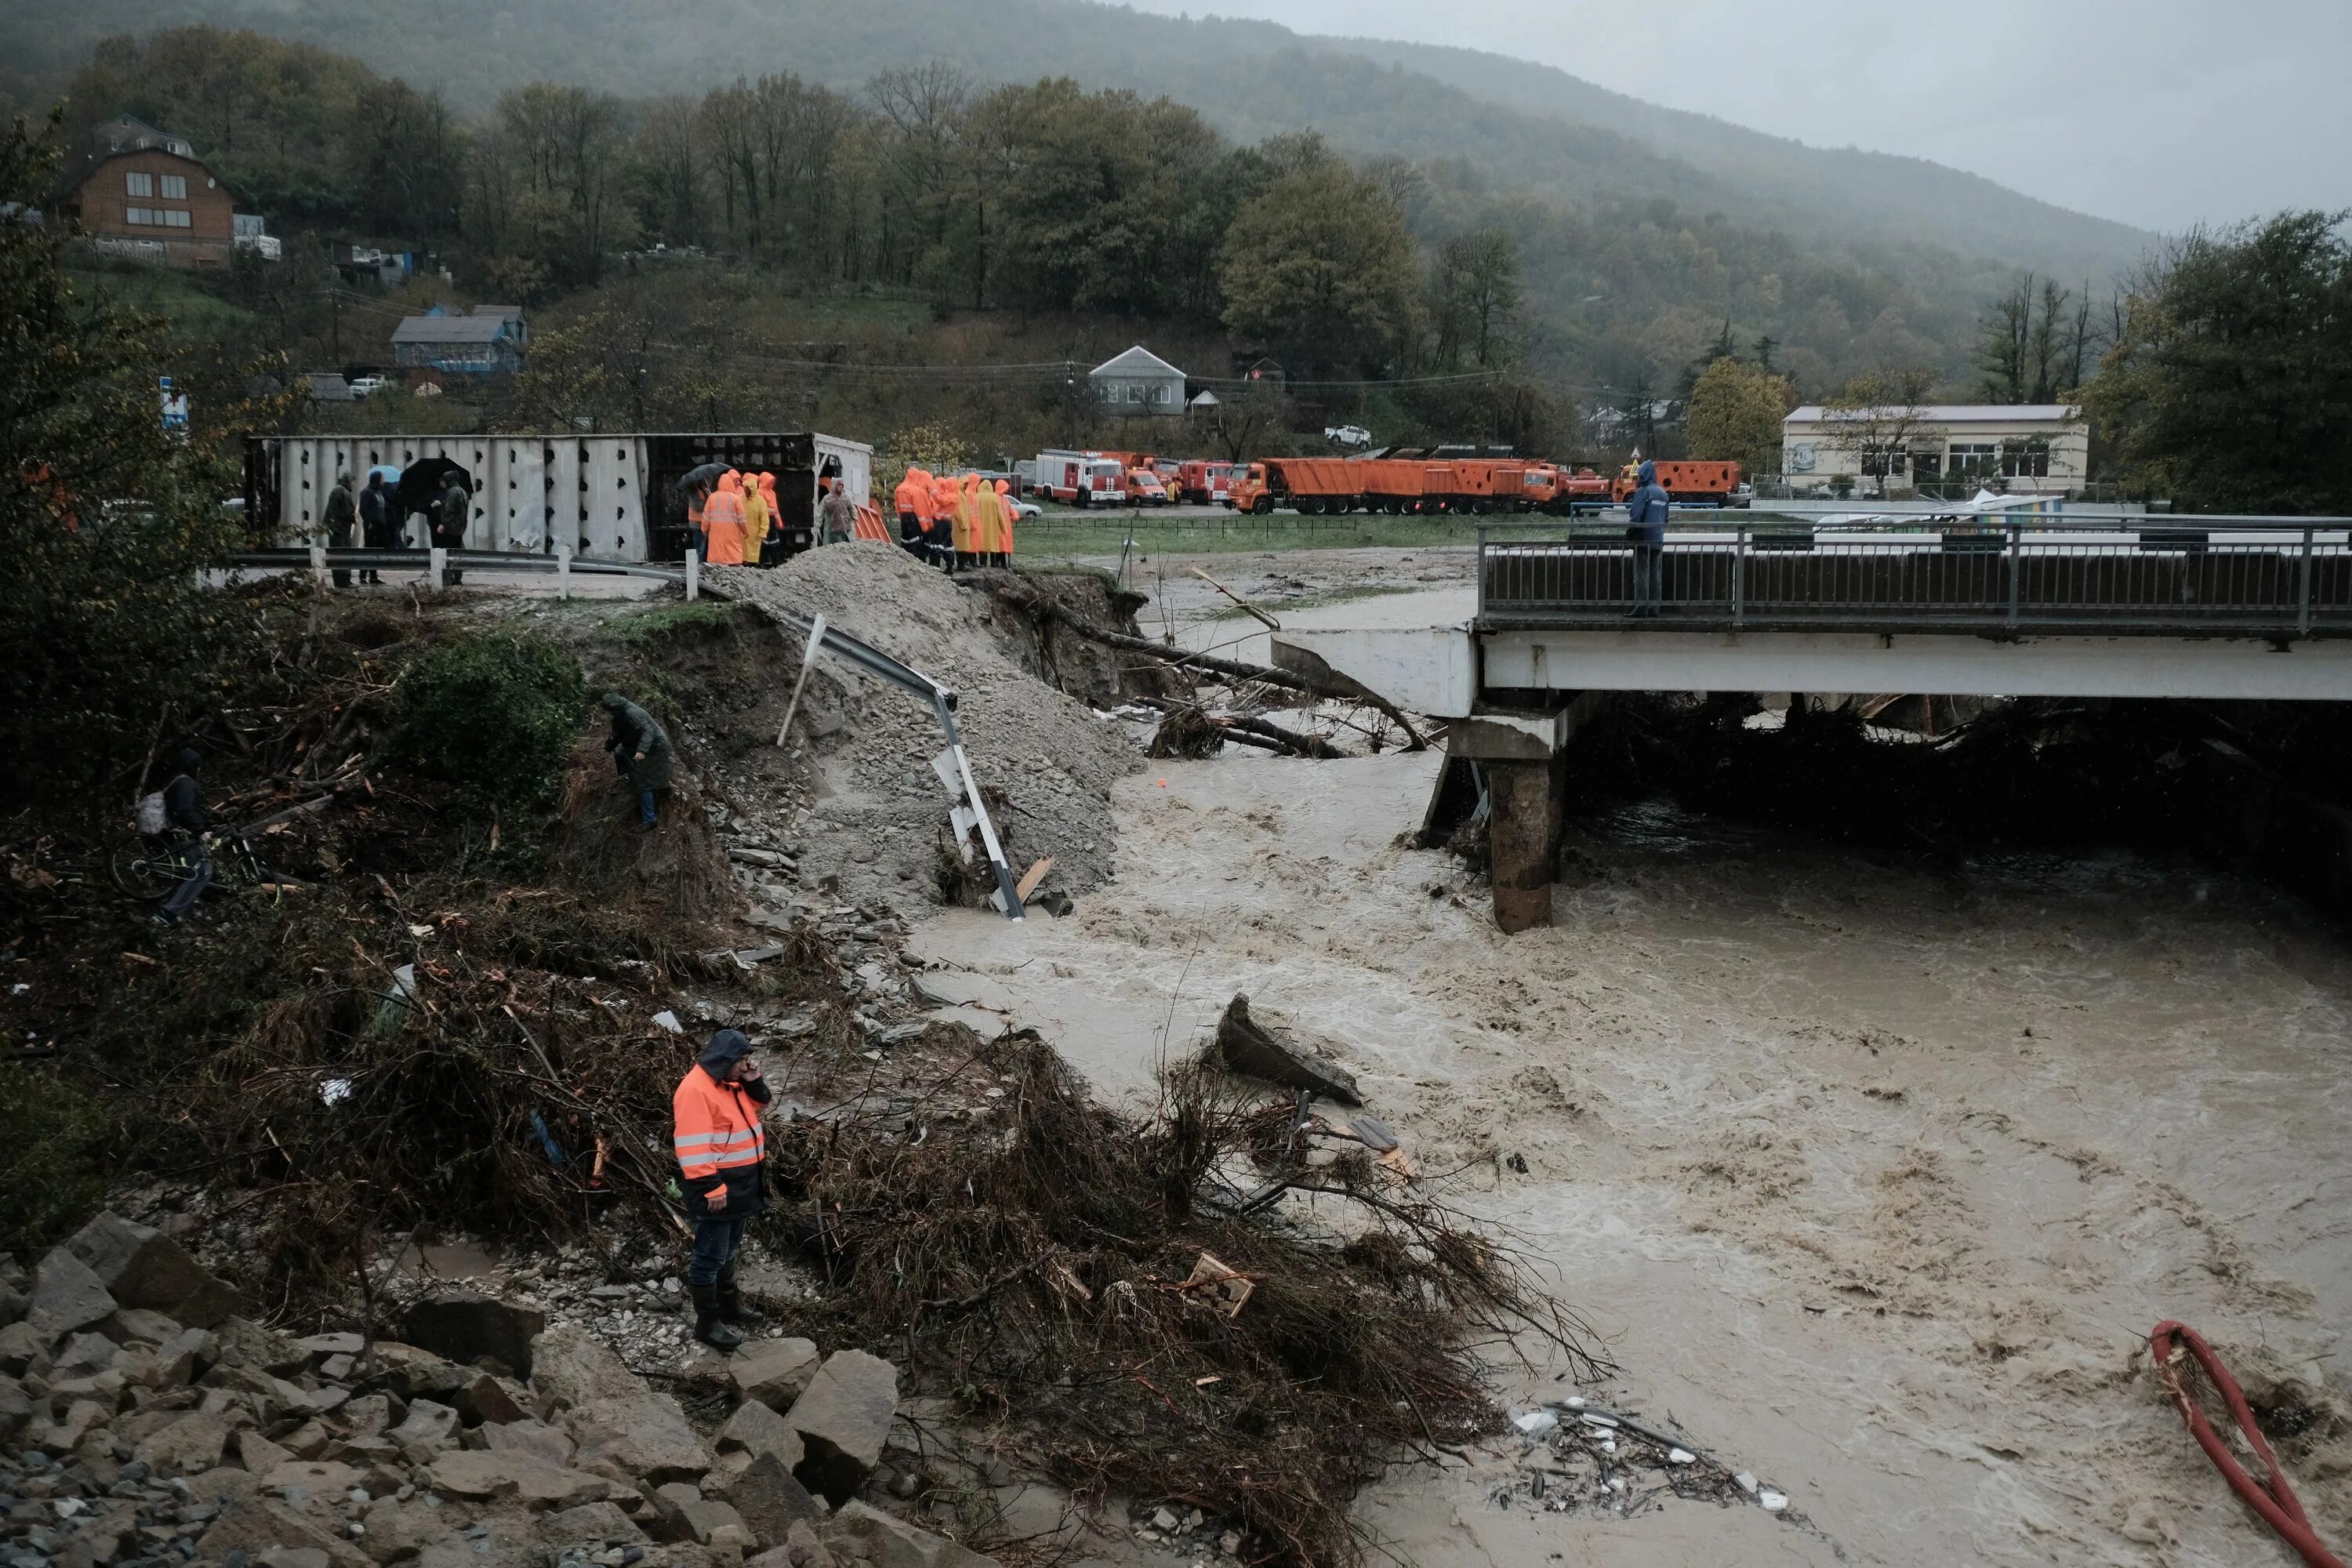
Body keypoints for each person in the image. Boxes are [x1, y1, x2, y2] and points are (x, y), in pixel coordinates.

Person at [671, 1028, 771, 1351]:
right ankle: (708, 1322)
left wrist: (753, 1079)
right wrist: (710, 1187)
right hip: (716, 1189)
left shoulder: (729, 1083)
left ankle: (730, 1307)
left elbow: (760, 1104)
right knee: (708, 1256)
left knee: (728, 1250)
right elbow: (691, 1146)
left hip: (741, 1185)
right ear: (725, 1060)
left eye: (748, 1060)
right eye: (742, 1061)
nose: (747, 1065)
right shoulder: (695, 1091)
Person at [599, 691, 673, 831]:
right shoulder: (620, 714)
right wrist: (609, 746)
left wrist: (642, 751)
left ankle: (650, 819)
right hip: (637, 744)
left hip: (654, 746)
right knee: (620, 753)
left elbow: (648, 732)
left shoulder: (631, 714)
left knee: (642, 783)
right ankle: (629, 776)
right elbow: (617, 733)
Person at [156, 747, 212, 924]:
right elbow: (185, 810)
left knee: (187, 874)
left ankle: (179, 917)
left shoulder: (172, 781)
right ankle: (167, 914)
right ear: (192, 765)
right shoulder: (186, 783)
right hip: (183, 836)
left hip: (170, 835)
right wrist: (201, 830)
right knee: (201, 872)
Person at [1624, 459, 1670, 619]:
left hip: (1643, 539)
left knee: (1641, 574)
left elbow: (1636, 517)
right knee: (1655, 574)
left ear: (1642, 474)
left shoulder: (1643, 492)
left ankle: (1641, 607)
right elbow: (1665, 519)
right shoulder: (1663, 493)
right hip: (1658, 538)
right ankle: (1655, 608)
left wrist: (1630, 535)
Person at [432, 476, 471, 585]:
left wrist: (443, 524)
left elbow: (449, 510)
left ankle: (449, 577)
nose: (442, 483)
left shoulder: (452, 492)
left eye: (443, 481)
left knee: (449, 552)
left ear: (449, 481)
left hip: (452, 527)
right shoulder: (461, 491)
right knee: (457, 551)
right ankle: (457, 577)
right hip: (460, 526)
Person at [702, 472, 747, 566]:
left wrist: (704, 529)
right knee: (732, 553)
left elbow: (706, 517)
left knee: (716, 552)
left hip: (715, 532)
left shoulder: (711, 498)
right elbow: (742, 519)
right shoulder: (735, 499)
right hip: (732, 532)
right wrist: (745, 532)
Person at [322, 472, 357, 589]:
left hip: (334, 528)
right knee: (344, 554)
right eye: (352, 481)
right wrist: (354, 518)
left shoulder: (337, 490)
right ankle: (344, 582)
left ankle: (339, 581)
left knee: (335, 555)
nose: (353, 484)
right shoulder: (344, 492)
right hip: (341, 529)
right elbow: (347, 512)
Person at [358, 470, 393, 583]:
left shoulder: (378, 492)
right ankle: (362, 575)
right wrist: (369, 523)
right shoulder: (366, 492)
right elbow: (363, 510)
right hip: (372, 526)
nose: (384, 480)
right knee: (369, 550)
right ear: (376, 479)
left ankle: (373, 576)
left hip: (380, 526)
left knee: (376, 551)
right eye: (382, 478)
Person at [893, 467, 927, 561]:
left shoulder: (899, 489)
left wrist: (900, 517)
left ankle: (905, 558)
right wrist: (924, 526)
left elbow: (897, 506)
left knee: (905, 538)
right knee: (915, 539)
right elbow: (919, 509)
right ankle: (917, 560)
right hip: (913, 517)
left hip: (904, 517)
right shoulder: (916, 490)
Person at [739, 471, 770, 568]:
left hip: (755, 533)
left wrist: (763, 532)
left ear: (752, 488)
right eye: (745, 487)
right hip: (742, 533)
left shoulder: (760, 502)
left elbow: (764, 518)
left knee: (753, 555)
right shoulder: (740, 499)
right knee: (743, 554)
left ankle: (753, 567)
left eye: (747, 488)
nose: (745, 489)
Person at [818, 477, 856, 546]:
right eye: (839, 485)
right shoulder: (828, 499)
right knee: (834, 547)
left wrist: (854, 516)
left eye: (842, 485)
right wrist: (818, 522)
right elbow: (821, 511)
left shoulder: (846, 498)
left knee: (846, 546)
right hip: (833, 530)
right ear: (834, 485)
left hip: (846, 529)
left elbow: (852, 508)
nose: (841, 487)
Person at [756, 473, 782, 564]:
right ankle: (762, 561)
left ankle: (775, 561)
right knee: (763, 541)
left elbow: (775, 509)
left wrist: (779, 522)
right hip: (763, 519)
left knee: (774, 541)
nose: (772, 484)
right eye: (770, 482)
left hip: (771, 520)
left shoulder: (772, 493)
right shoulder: (759, 492)